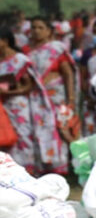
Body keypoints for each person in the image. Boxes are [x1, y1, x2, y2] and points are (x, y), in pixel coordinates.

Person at [0, 26, 67, 175]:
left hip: (19, 105)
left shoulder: (20, 59)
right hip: (2, 107)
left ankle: (27, 171)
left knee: (23, 138)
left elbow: (29, 86)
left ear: (4, 41)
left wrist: (9, 92)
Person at [26, 16, 77, 144]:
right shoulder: (26, 52)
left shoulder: (56, 49)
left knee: (62, 128)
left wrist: (70, 98)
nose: (36, 31)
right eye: (33, 27)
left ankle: (64, 161)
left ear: (49, 31)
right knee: (41, 129)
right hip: (36, 99)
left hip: (57, 97)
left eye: (40, 28)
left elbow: (68, 74)